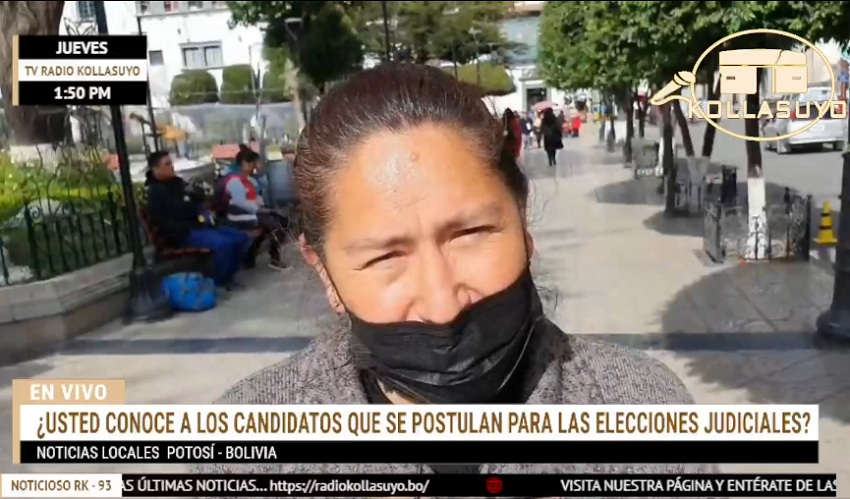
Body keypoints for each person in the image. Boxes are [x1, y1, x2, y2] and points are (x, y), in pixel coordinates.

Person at [201, 63, 707, 476]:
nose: (443, 304)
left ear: (522, 221)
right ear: (325, 271)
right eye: (384, 258)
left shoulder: (644, 410)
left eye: (470, 234)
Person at [145, 151, 250, 288]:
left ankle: (228, 276)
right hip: (181, 233)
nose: (172, 167)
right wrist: (189, 206)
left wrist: (191, 199)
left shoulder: (177, 182)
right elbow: (177, 211)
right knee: (223, 244)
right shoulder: (155, 192)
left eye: (171, 163)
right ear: (156, 169)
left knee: (241, 238)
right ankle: (219, 282)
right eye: (167, 164)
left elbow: (197, 198)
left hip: (198, 225)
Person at [218, 145, 288, 271]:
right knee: (275, 225)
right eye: (254, 163)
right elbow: (241, 203)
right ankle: (274, 258)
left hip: (251, 212)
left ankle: (250, 257)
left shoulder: (250, 179)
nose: (255, 166)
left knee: (279, 223)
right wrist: (261, 209)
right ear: (246, 163)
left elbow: (259, 195)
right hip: (237, 214)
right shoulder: (235, 181)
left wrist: (262, 208)